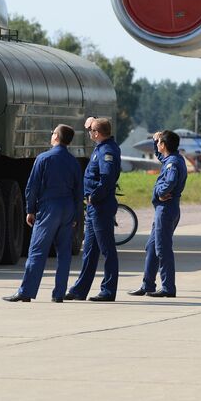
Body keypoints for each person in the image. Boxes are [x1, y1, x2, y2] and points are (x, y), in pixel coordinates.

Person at [3, 124, 83, 303]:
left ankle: (26, 291)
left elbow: (32, 187)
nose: (51, 134)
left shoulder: (43, 158)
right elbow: (79, 191)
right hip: (68, 207)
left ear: (56, 137)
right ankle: (59, 293)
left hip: (49, 207)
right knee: (64, 253)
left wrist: (30, 210)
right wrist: (77, 216)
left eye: (53, 132)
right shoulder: (74, 161)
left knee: (37, 251)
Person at [65, 117, 122, 301]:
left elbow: (106, 179)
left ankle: (108, 290)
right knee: (89, 250)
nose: (89, 133)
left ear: (97, 133)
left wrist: (93, 197)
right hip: (94, 208)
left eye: (91, 131)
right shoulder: (101, 147)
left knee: (107, 250)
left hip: (100, 206)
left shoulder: (107, 151)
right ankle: (79, 289)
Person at [128, 130, 187, 298]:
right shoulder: (172, 158)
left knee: (163, 248)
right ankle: (148, 285)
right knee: (152, 247)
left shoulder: (172, 163)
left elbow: (170, 181)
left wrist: (160, 192)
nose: (158, 144)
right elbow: (162, 158)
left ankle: (168, 287)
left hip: (166, 208)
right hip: (165, 209)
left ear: (164, 145)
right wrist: (156, 141)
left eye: (159, 142)